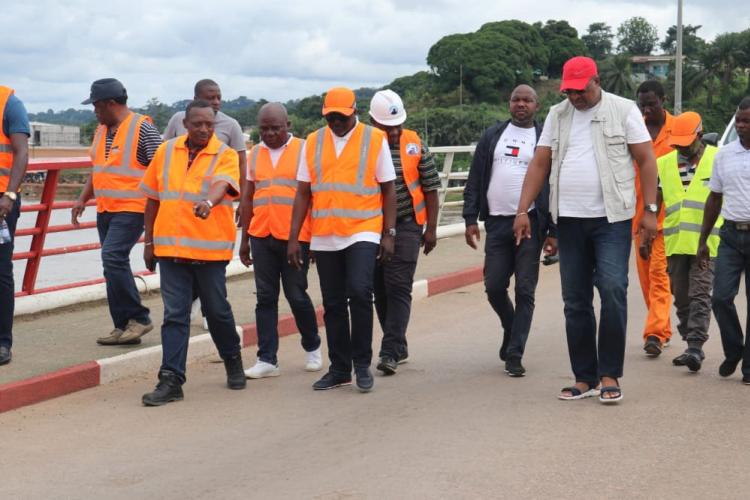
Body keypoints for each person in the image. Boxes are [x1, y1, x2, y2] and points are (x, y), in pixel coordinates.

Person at [513, 56, 658, 404]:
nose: (575, 97)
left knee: (612, 289)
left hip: (612, 219)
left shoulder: (623, 110)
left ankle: (610, 374)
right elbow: (540, 162)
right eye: (569, 91)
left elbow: (646, 159)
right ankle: (584, 377)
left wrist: (650, 211)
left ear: (596, 81)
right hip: (570, 221)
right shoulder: (557, 115)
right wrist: (522, 209)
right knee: (575, 300)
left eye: (580, 90)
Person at [287, 87, 397, 393]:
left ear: (354, 112)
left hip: (363, 228)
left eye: (341, 117)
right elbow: (303, 193)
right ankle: (339, 369)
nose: (335, 122)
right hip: (325, 234)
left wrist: (389, 233)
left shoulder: (374, 139)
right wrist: (294, 237)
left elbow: (388, 189)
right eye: (330, 117)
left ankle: (362, 364)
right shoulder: (313, 141)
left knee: (360, 292)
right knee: (333, 303)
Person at [139, 99, 246, 406]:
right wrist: (149, 243)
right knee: (175, 315)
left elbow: (223, 184)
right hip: (171, 249)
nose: (203, 129)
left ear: (215, 126)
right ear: (184, 124)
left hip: (209, 250)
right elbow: (153, 199)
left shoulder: (224, 155)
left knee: (217, 311)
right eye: (196, 123)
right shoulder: (166, 151)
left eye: (209, 125)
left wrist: (209, 204)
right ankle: (171, 380)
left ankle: (232, 357)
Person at [463, 84, 556, 377]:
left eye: (527, 100)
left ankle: (515, 353)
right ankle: (511, 325)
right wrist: (469, 219)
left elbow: (554, 184)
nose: (521, 104)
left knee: (525, 289)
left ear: (536, 106)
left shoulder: (545, 138)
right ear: (509, 103)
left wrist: (554, 229)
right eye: (516, 99)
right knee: (493, 286)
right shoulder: (492, 136)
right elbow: (476, 177)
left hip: (532, 222)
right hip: (497, 222)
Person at [73, 78, 161, 346]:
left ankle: (139, 317)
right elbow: (99, 168)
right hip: (106, 208)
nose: (94, 111)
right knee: (111, 265)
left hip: (134, 207)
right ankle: (123, 325)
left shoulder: (143, 129)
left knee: (113, 256)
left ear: (111, 104)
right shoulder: (102, 130)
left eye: (96, 106)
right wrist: (82, 198)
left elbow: (162, 169)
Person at [238, 102, 322, 378]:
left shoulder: (304, 150)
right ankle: (267, 359)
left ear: (288, 125)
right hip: (262, 234)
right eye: (264, 129)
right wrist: (245, 240)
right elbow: (248, 197)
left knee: (296, 295)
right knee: (265, 298)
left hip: (295, 239)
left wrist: (308, 239)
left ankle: (312, 347)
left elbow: (312, 196)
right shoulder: (254, 155)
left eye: (275, 128)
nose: (269, 133)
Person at [368, 89, 441, 375]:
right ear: (374, 124)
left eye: (398, 126)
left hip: (409, 223)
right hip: (371, 226)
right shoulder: (365, 146)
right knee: (379, 288)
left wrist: (432, 228)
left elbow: (431, 186)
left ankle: (389, 352)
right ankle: (399, 343)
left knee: (398, 285)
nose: (396, 132)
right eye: (389, 128)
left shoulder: (414, 143)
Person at [164, 79, 247, 329]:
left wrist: (242, 198)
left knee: (208, 270)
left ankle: (209, 312)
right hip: (180, 213)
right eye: (211, 98)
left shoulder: (230, 126)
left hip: (212, 210)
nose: (216, 102)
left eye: (219, 97)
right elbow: (166, 152)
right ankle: (188, 309)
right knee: (184, 267)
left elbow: (240, 165)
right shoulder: (177, 121)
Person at [656, 111, 721, 372]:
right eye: (677, 143)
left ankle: (695, 346)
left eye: (686, 142)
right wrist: (648, 230)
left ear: (700, 135)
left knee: (700, 294)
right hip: (675, 242)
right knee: (681, 297)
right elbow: (657, 199)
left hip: (709, 244)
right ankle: (690, 341)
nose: (681, 147)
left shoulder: (717, 160)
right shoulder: (665, 163)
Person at [698, 97, 750, 383]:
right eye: (738, 120)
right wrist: (703, 240)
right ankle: (734, 349)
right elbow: (714, 198)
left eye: (746, 121)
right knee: (720, 298)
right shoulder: (724, 154)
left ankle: (748, 368)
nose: (740, 126)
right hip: (730, 235)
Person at [635, 80, 675, 357]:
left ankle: (655, 333)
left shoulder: (678, 131)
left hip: (668, 219)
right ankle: (661, 326)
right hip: (637, 219)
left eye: (652, 103)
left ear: (663, 100)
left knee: (660, 276)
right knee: (646, 280)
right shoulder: (633, 129)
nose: (647, 109)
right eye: (643, 105)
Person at [0, 85, 30, 366]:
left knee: (0, 271)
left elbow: (22, 153)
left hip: (1, 201)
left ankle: (2, 342)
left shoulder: (9, 103)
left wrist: (10, 195)